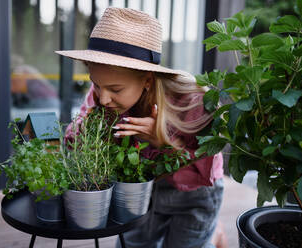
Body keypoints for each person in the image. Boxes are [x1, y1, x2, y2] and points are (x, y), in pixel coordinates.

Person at [58, 7, 226, 248]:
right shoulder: (101, 97)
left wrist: (163, 141)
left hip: (194, 193)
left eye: (115, 90)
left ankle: (213, 236)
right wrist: (91, 132)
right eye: (96, 84)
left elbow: (206, 163)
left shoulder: (192, 100)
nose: (103, 98)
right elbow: (73, 138)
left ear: (147, 80)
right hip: (139, 189)